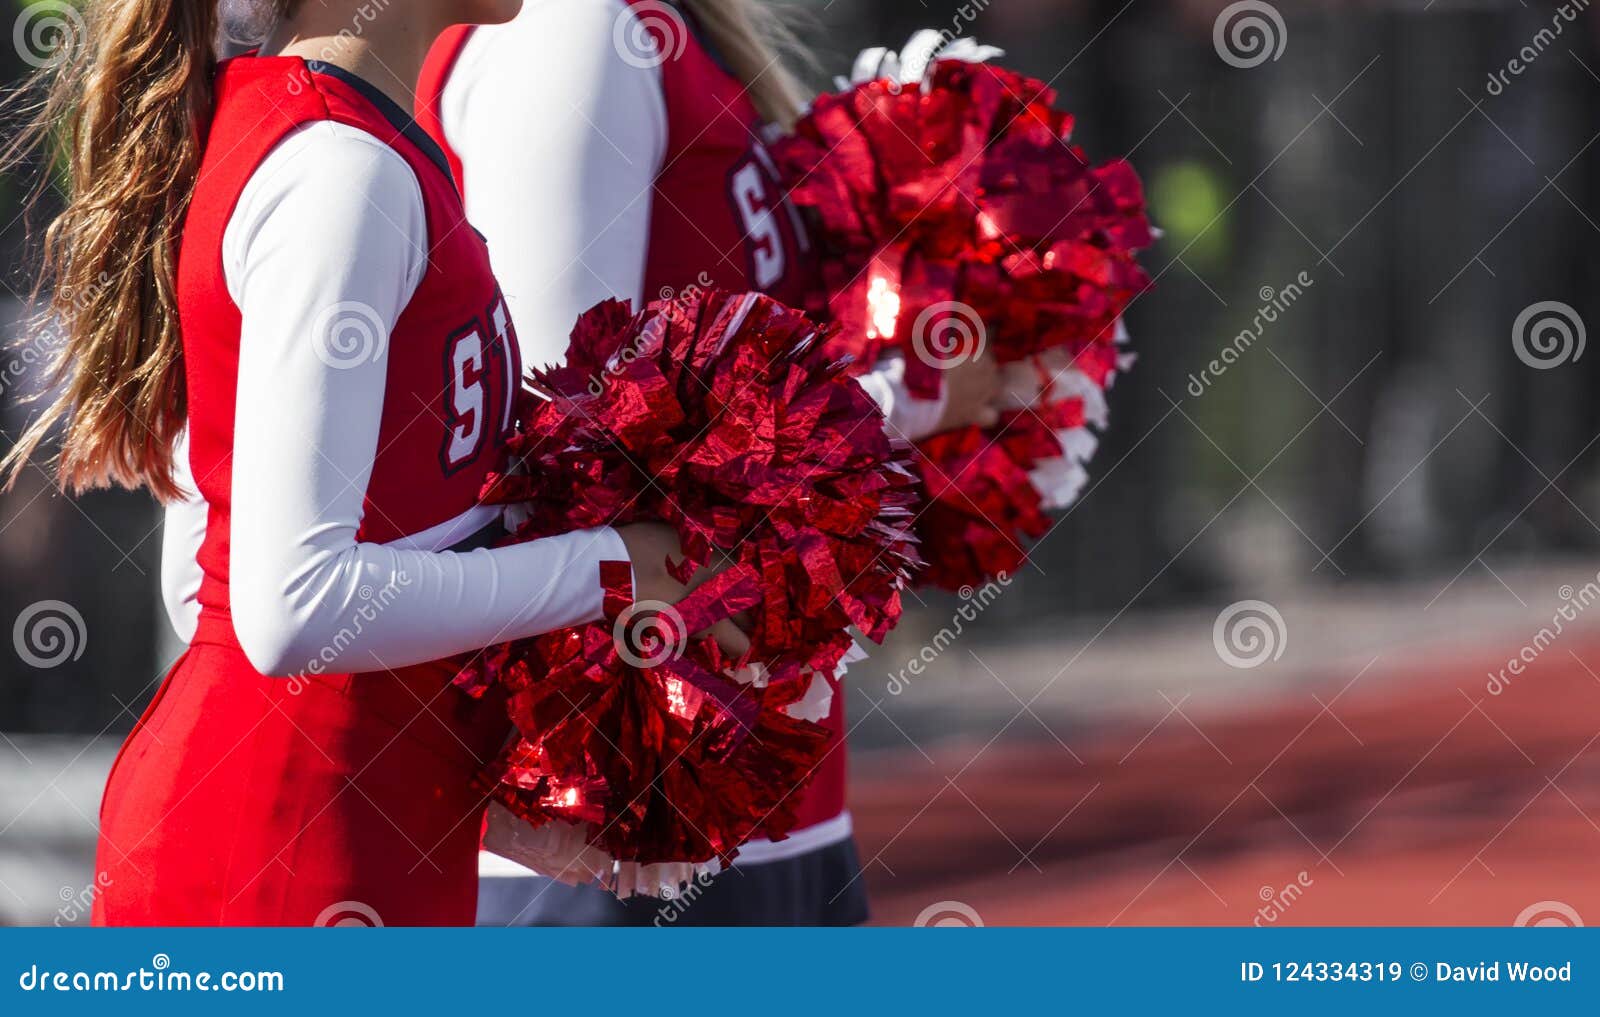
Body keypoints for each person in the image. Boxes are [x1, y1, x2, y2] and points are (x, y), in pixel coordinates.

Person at [0, 0, 733, 926]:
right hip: (279, 847)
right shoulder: (338, 171)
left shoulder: (357, 144)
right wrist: (614, 569)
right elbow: (284, 605)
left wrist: (493, 801)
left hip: (353, 818)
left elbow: (359, 546)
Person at [413, 0, 1004, 926]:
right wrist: (913, 396)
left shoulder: (669, 32)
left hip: (768, 784)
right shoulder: (574, 31)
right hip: (624, 812)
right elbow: (560, 444)